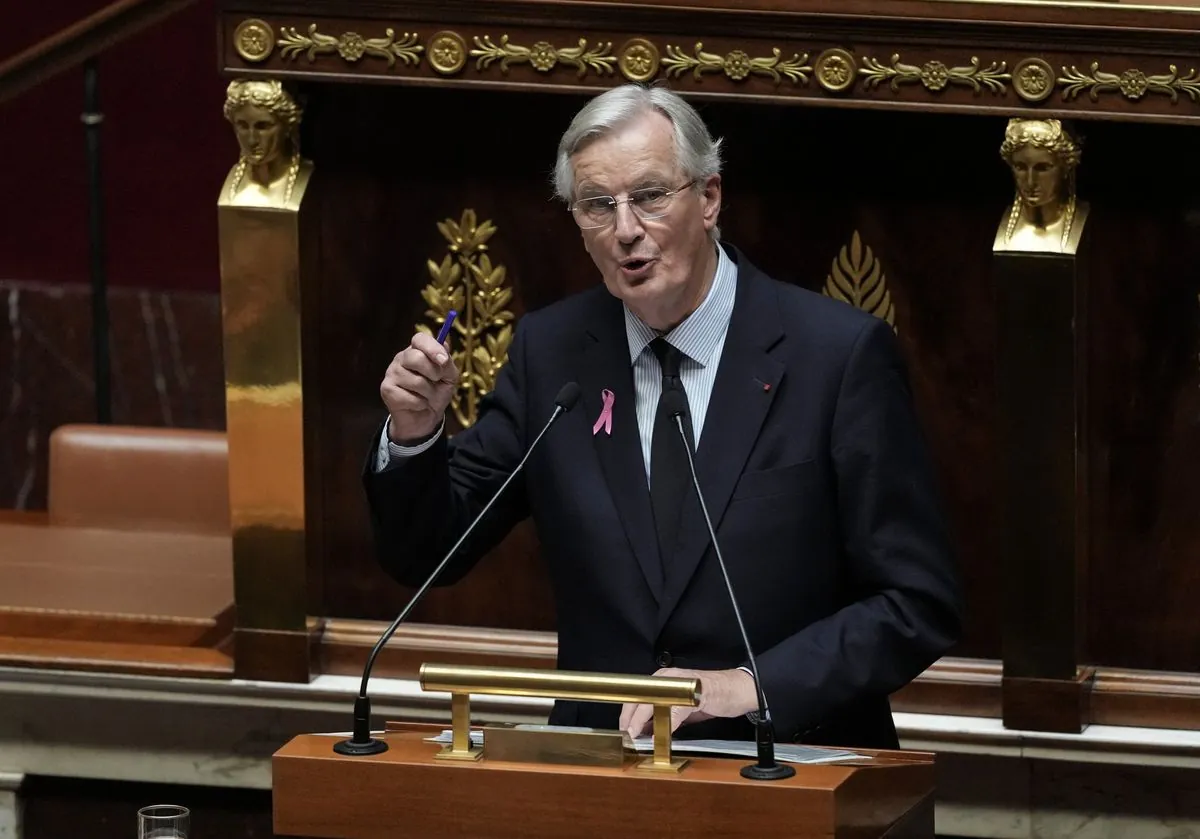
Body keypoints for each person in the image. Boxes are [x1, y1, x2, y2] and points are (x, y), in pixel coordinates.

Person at [363, 83, 961, 750]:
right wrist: (414, 434)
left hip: (786, 763)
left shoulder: (837, 356)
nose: (624, 230)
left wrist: (753, 683)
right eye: (597, 205)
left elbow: (917, 602)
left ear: (709, 198)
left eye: (649, 196)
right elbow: (427, 550)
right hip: (604, 775)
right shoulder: (552, 354)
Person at [994, 117, 1089, 254]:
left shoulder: (1084, 219)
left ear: (1066, 168)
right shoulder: (993, 227)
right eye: (1020, 167)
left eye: (1043, 168)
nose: (1030, 181)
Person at [220, 79, 311, 209]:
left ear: (288, 127)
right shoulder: (233, 186)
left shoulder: (307, 178)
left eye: (263, 127)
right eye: (243, 126)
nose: (252, 140)